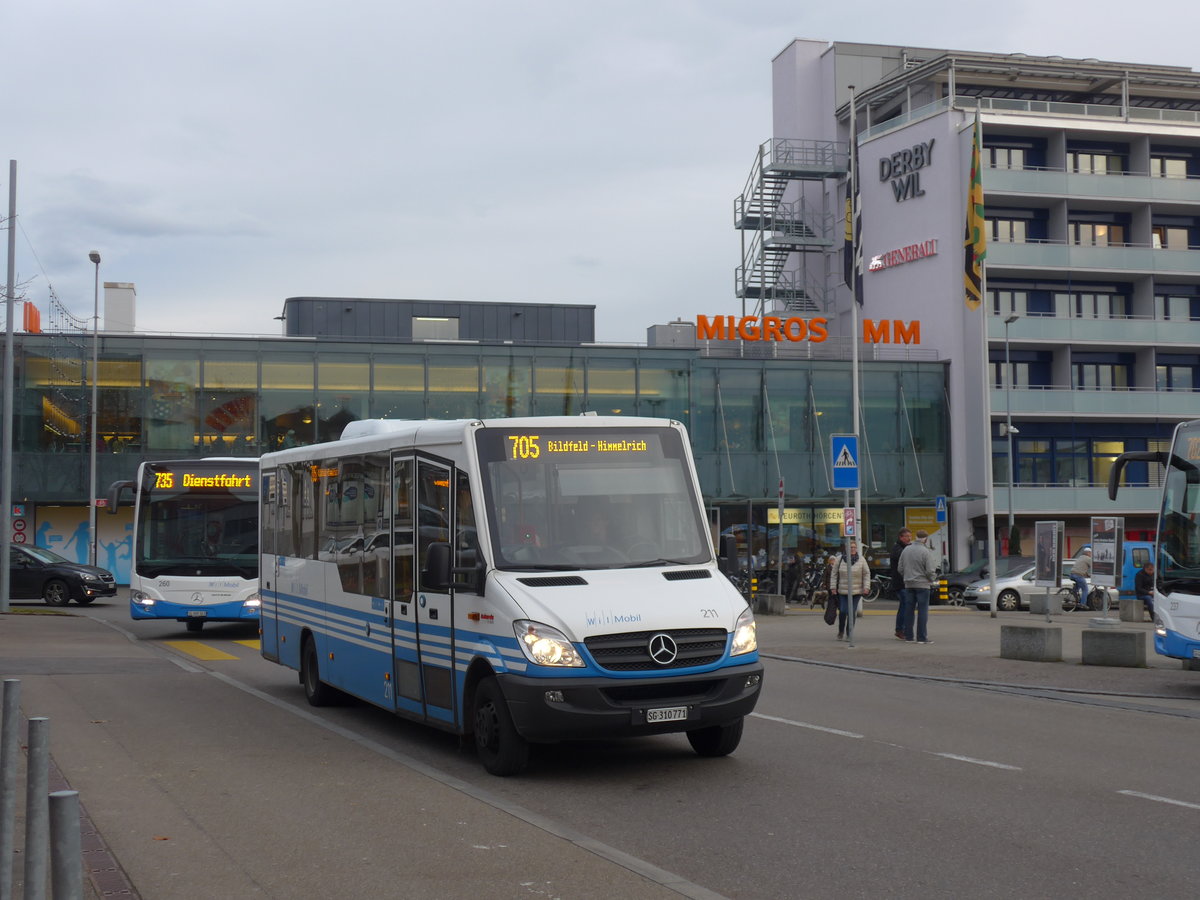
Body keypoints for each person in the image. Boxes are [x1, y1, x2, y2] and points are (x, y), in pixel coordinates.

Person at [898, 529, 937, 644]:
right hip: (923, 585)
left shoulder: (906, 549)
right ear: (925, 539)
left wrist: (907, 576)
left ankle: (909, 636)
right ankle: (921, 637)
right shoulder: (925, 551)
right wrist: (932, 579)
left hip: (909, 584)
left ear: (916, 537)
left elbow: (900, 568)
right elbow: (930, 570)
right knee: (922, 611)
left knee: (909, 611)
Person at [830, 540, 870, 642]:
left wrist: (866, 587)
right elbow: (834, 574)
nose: (852, 549)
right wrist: (833, 587)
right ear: (846, 548)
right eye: (850, 547)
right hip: (843, 591)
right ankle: (841, 631)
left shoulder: (861, 559)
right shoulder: (839, 559)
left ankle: (849, 633)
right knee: (843, 611)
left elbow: (866, 574)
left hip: (856, 591)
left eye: (854, 547)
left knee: (852, 612)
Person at [888, 528, 913, 640]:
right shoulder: (897, 549)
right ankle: (900, 629)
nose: (909, 538)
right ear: (901, 537)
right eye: (907, 536)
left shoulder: (905, 547)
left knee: (905, 605)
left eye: (910, 536)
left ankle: (903, 629)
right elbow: (903, 559)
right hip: (900, 582)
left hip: (906, 582)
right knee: (905, 605)